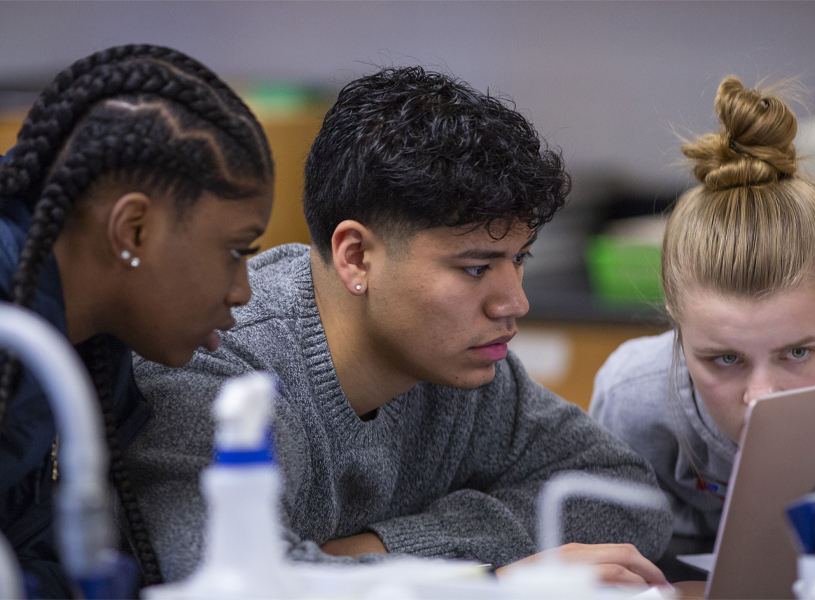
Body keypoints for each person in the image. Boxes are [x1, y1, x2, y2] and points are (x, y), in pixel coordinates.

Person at [126, 66, 674, 588]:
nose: (514, 302)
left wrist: (381, 549)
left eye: (520, 259)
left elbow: (626, 498)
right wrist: (486, 581)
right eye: (476, 268)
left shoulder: (464, 367)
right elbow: (229, 582)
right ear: (357, 257)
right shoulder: (218, 364)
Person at [0, 44, 274, 597]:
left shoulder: (97, 342)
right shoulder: (20, 324)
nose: (244, 291)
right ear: (134, 230)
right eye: (235, 251)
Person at [590, 76, 815, 553]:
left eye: (797, 352)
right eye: (725, 360)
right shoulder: (635, 403)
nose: (761, 399)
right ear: (677, 324)